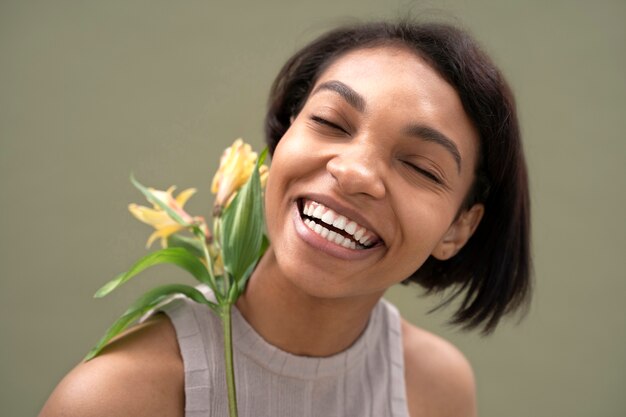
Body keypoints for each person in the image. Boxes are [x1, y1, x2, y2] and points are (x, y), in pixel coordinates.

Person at [39, 20, 531, 417]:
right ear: (280, 142)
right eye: (330, 122)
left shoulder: (438, 388)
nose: (355, 172)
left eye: (420, 166)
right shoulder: (113, 397)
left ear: (458, 228)